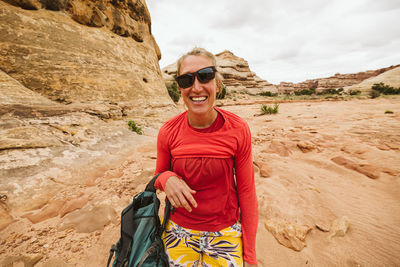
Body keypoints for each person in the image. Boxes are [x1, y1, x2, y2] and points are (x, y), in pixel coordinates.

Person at [155, 47, 258, 266]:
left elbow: (247, 191)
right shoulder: (168, 131)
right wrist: (167, 179)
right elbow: (158, 176)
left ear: (217, 84)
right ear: (180, 89)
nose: (196, 87)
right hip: (177, 231)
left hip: (225, 232)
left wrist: (249, 256)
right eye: (186, 80)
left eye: (205, 76)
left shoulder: (238, 129)